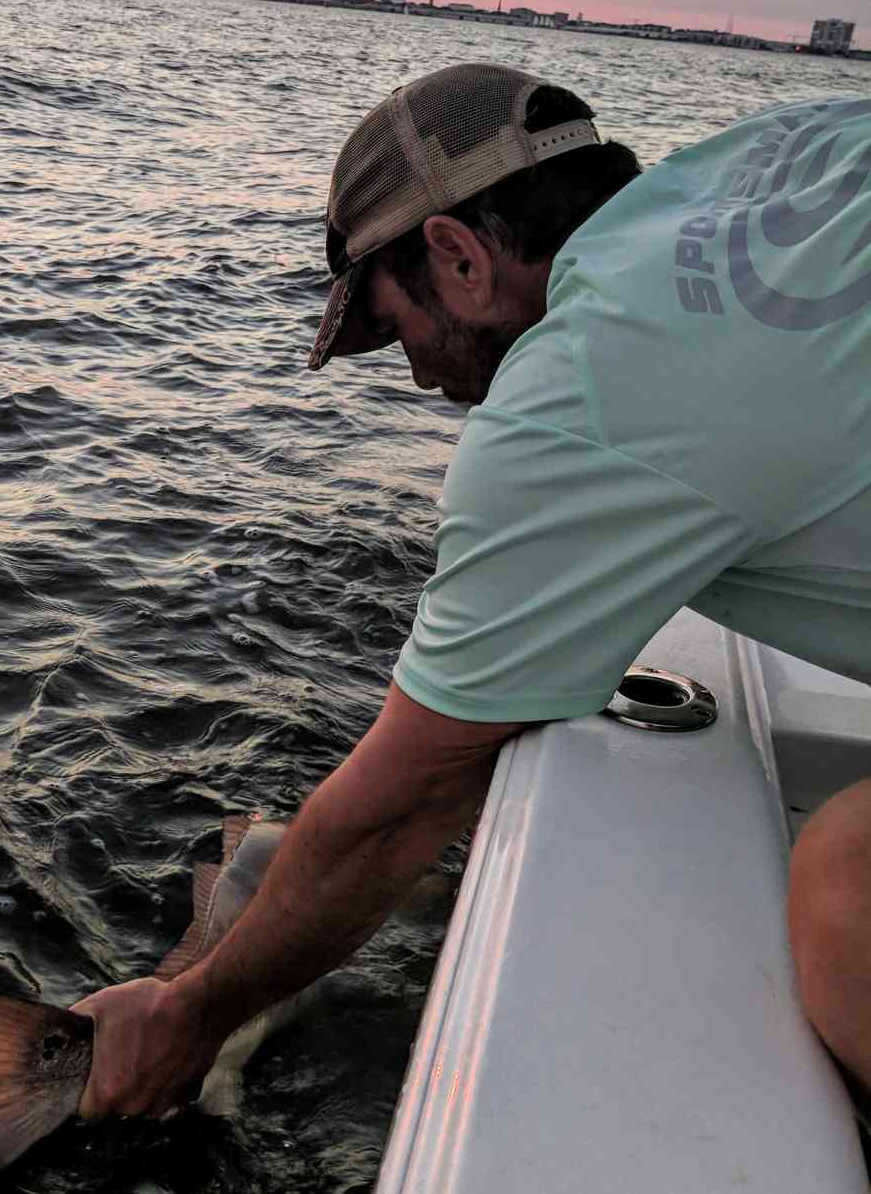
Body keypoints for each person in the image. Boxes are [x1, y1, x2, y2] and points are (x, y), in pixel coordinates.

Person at [71, 62, 871, 1121]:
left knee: (848, 884)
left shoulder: (582, 393)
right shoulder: (780, 147)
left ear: (457, 256)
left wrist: (189, 1014)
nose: (413, 375)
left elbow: (399, 808)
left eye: (393, 327)